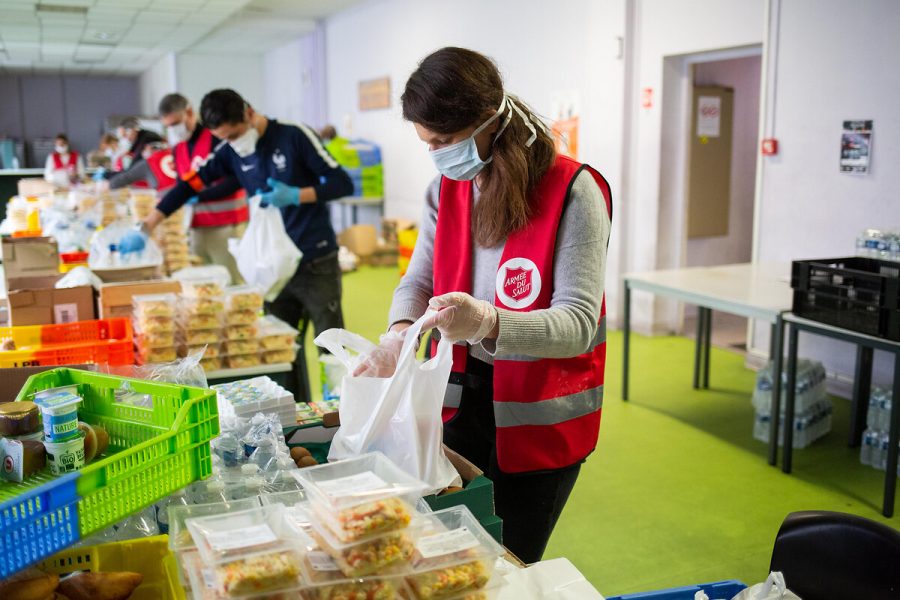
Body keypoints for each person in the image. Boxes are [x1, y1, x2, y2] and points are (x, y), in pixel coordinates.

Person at [354, 47, 613, 564]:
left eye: (446, 141)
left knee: (510, 559)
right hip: (459, 399)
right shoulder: (445, 189)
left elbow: (579, 323)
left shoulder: (573, 191)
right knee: (451, 550)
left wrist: (491, 321)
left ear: (490, 120)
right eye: (428, 144)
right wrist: (398, 334)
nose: (438, 155)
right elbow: (417, 280)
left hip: (539, 413)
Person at [121, 89, 354, 400]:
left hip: (314, 259)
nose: (232, 142)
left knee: (331, 344)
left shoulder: (292, 136)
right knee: (280, 349)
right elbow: (189, 185)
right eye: (224, 138)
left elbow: (342, 182)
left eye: (234, 134)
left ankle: (341, 409)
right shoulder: (231, 152)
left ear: (248, 112)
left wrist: (298, 195)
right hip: (273, 269)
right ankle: (295, 411)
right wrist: (148, 224)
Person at [157, 93, 248, 283]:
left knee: (234, 282)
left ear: (189, 113)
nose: (173, 130)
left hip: (226, 224)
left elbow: (238, 178)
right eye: (168, 127)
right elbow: (184, 184)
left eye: (175, 124)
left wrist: (202, 196)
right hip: (196, 227)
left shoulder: (217, 136)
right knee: (205, 286)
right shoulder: (179, 148)